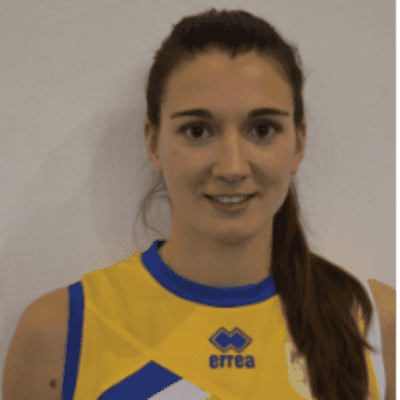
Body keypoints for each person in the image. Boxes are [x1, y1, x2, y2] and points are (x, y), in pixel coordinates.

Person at [3, 8, 395, 400]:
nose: (232, 167)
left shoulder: (376, 324)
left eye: (262, 129)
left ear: (299, 143)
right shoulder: (59, 334)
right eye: (197, 130)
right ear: (153, 143)